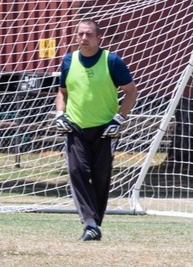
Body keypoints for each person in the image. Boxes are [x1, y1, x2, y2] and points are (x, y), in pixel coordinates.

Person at [53, 19, 137, 241]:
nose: (83, 38)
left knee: (101, 177)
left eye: (89, 34)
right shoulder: (69, 60)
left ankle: (94, 224)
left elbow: (131, 92)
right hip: (75, 126)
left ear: (99, 38)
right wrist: (60, 115)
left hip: (105, 129)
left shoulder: (112, 61)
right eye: (80, 34)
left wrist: (118, 119)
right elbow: (62, 92)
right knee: (76, 171)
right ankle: (89, 223)